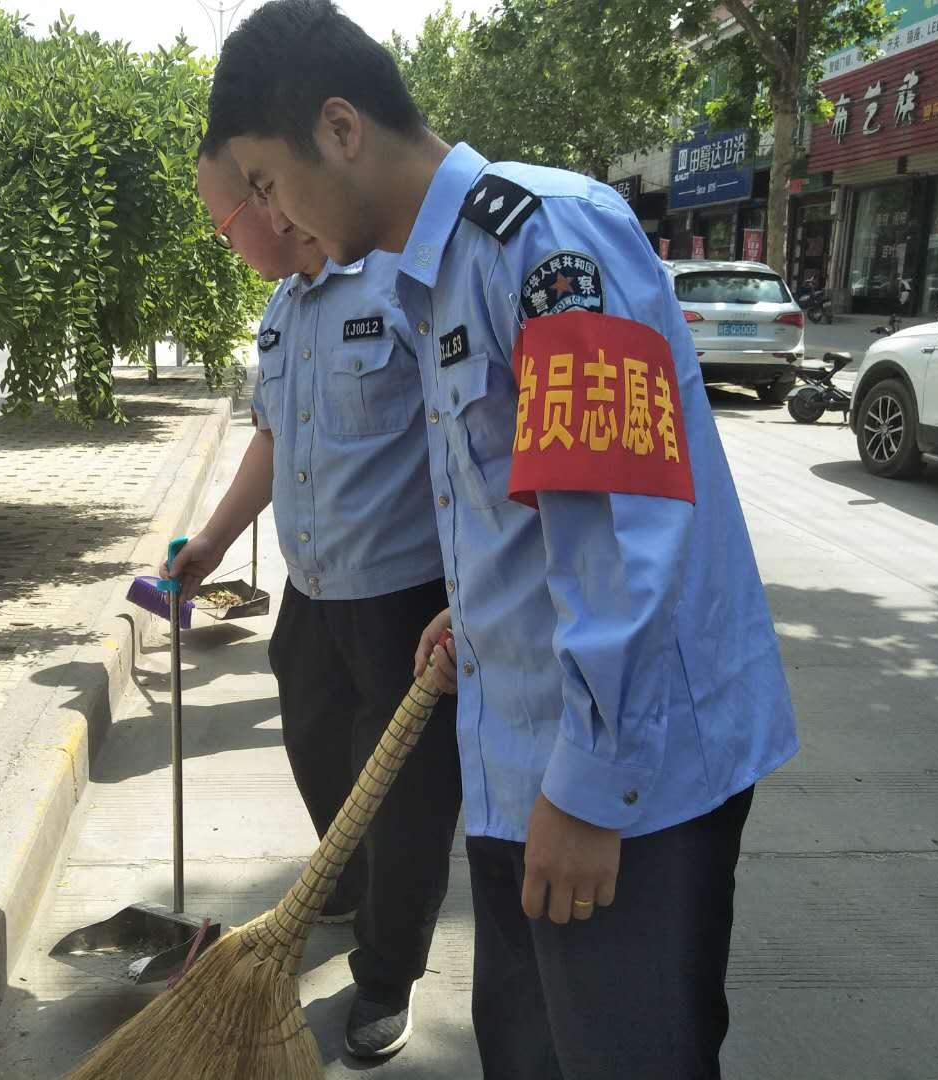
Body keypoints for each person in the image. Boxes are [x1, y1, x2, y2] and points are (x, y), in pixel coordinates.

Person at [205, 4, 799, 1078]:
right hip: (520, 755)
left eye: (260, 179)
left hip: (623, 777)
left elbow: (625, 519)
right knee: (528, 1052)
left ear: (339, 128)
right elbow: (533, 510)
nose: (268, 213)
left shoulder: (543, 239)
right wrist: (473, 609)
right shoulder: (431, 277)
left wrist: (590, 784)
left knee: (623, 1055)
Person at [169, 142, 462, 1058]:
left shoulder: (400, 288)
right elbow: (267, 438)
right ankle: (344, 882)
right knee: (316, 749)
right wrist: (212, 540)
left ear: (273, 199)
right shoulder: (281, 310)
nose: (231, 239)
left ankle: (386, 973)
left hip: (405, 599)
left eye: (229, 220)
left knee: (406, 799)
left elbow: (464, 438)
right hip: (313, 595)